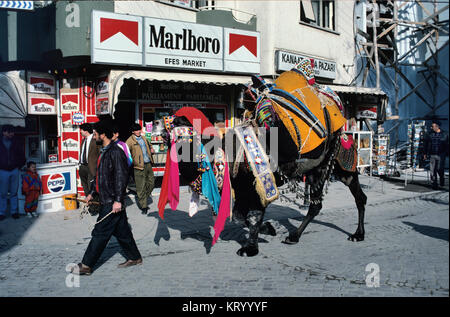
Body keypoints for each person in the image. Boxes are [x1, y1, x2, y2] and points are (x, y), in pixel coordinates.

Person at [72, 120, 142, 275]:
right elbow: (99, 177)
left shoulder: (116, 152)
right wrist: (91, 193)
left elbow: (120, 178)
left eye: (96, 133)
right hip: (105, 197)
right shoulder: (104, 151)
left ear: (103, 134)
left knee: (100, 232)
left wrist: (118, 200)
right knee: (122, 231)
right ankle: (135, 257)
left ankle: (86, 265)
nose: (94, 135)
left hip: (111, 201)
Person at [126, 123, 155, 215]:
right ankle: (144, 206)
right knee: (140, 186)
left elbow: (149, 146)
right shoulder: (129, 141)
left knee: (151, 182)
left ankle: (142, 198)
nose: (139, 132)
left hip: (148, 164)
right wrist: (132, 162)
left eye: (139, 130)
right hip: (138, 167)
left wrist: (152, 150)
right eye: (137, 130)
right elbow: (126, 154)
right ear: (133, 131)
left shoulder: (143, 138)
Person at [0, 125, 26, 221]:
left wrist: (19, 166)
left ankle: (14, 212)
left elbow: (21, 154)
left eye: (12, 132)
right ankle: (1, 213)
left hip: (14, 170)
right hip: (2, 171)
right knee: (2, 193)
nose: (12, 134)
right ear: (4, 132)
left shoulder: (16, 142)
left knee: (14, 192)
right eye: (10, 132)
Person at [425, 120, 449, 189]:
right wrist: (425, 153)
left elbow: (447, 144)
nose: (431, 128)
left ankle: (442, 178)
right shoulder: (429, 134)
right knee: (432, 170)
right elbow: (426, 144)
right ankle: (434, 184)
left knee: (439, 169)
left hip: (441, 154)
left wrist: (447, 152)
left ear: (437, 127)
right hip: (432, 154)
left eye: (433, 126)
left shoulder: (445, 134)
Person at [79, 123, 101, 197]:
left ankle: (94, 205)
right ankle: (89, 203)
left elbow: (99, 153)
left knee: (91, 186)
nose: (80, 132)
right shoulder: (83, 140)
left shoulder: (95, 139)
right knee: (85, 186)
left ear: (86, 131)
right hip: (82, 166)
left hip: (91, 167)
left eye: (81, 130)